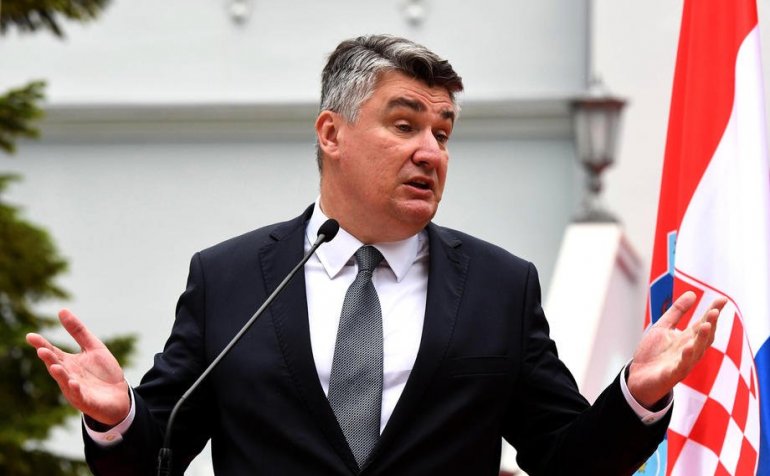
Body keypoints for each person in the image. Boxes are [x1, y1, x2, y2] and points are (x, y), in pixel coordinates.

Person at [26, 35, 724, 475]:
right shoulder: (230, 278)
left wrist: (637, 394)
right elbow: (159, 453)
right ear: (332, 134)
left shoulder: (498, 286)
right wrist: (116, 418)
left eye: (442, 133)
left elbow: (566, 458)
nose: (430, 151)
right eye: (405, 124)